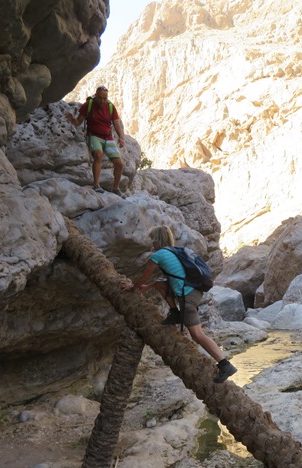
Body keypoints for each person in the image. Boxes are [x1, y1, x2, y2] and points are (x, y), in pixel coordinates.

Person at [120, 225, 238, 384]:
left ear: (157, 240)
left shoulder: (159, 255)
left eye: (152, 239)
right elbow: (163, 280)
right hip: (193, 292)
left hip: (187, 296)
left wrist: (133, 287)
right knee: (159, 283)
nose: (151, 243)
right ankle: (174, 312)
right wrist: (149, 287)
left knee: (197, 335)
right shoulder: (174, 251)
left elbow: (144, 276)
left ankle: (225, 364)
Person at [65, 85, 126, 197]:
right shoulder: (88, 105)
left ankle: (115, 188)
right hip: (94, 136)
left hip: (108, 137)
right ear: (95, 96)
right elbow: (79, 122)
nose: (102, 101)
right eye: (100, 98)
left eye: (105, 98)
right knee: (98, 155)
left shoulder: (110, 107)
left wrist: (121, 138)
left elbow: (116, 124)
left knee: (120, 164)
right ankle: (96, 185)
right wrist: (72, 120)